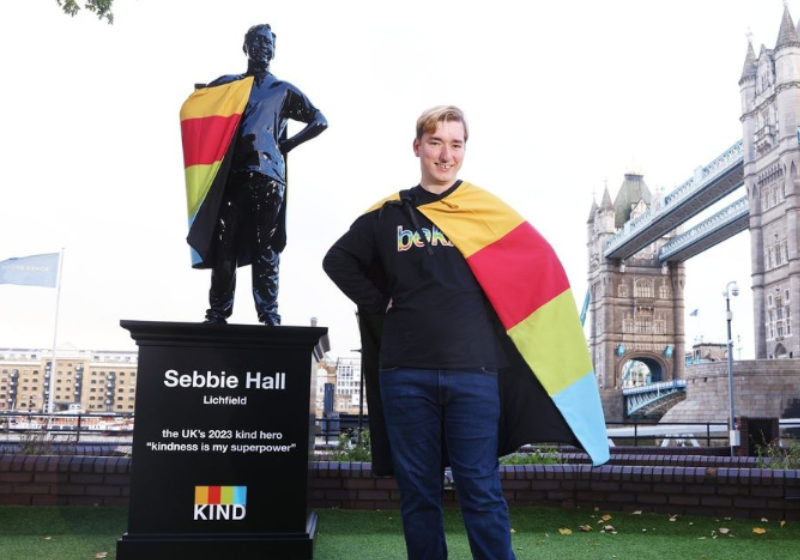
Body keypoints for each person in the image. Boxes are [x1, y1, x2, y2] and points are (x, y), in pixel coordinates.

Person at [324, 106, 609, 560]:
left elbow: (540, 265)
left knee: (481, 489)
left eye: (456, 144)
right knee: (419, 495)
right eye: (436, 142)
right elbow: (336, 260)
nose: (445, 154)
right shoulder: (388, 216)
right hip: (405, 374)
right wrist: (380, 300)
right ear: (417, 146)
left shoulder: (485, 212)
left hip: (474, 375)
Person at [180, 24, 327, 326]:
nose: (262, 48)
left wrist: (287, 144)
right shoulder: (229, 86)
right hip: (229, 178)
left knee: (266, 246)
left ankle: (269, 312)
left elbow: (319, 120)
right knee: (224, 245)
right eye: (257, 42)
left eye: (268, 43)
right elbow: (199, 105)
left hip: (267, 176)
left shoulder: (282, 90)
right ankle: (218, 312)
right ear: (245, 47)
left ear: (274, 50)